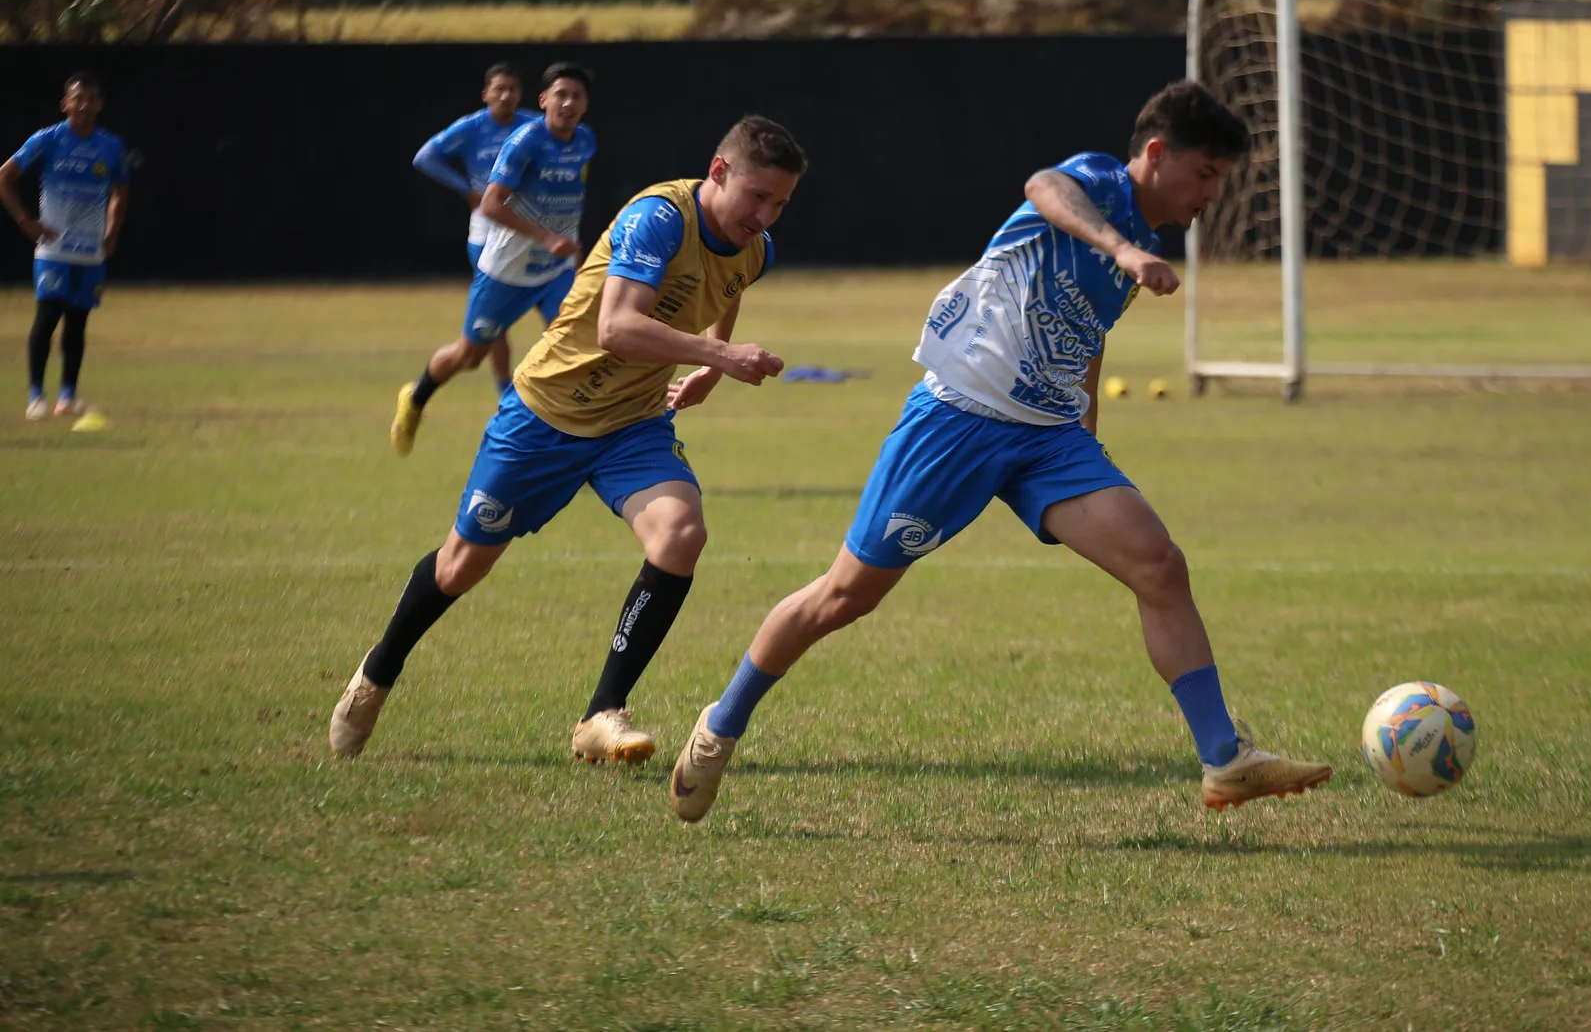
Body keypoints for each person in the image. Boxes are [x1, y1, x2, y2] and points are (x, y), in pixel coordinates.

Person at [668, 81, 1332, 824]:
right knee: (844, 595)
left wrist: (1085, 415)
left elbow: (1089, 325)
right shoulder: (1098, 186)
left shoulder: (1142, 237)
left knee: (1159, 564)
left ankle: (1224, 759)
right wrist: (1120, 246)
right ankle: (722, 722)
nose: (1213, 192)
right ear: (1155, 154)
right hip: (958, 418)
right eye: (1206, 172)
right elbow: (1041, 186)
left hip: (1048, 438)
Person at [332, 116, 806, 765]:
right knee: (460, 566)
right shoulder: (658, 219)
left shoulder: (756, 245)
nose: (767, 213)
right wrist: (720, 355)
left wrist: (707, 366)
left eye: (781, 202)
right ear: (719, 171)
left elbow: (733, 281)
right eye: (759, 195)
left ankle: (600, 714)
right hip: (545, 415)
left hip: (632, 424)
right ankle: (377, 672)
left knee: (682, 535)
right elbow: (616, 327)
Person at [391, 61, 596, 455]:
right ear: (544, 100)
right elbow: (489, 203)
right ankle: (415, 398)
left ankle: (569, 446)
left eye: (576, 96)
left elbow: (570, 196)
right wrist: (546, 236)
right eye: (561, 95)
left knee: (577, 347)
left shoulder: (586, 141)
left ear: (586, 103)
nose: (568, 103)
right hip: (506, 271)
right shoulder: (523, 143)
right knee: (470, 356)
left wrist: (571, 241)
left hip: (555, 270)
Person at [0, 72, 129, 421]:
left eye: (90, 99)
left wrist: (112, 230)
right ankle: (36, 397)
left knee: (77, 323)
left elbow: (119, 192)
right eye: (77, 99)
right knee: (47, 318)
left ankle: (67, 397)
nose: (84, 106)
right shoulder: (48, 140)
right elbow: (4, 177)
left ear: (100, 105)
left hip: (90, 252)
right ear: (65, 104)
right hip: (53, 250)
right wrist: (25, 221)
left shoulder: (110, 146)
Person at [411, 62, 544, 394]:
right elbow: (425, 157)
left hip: (531, 230)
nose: (505, 95)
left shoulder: (534, 126)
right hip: (487, 230)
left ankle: (550, 393)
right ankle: (504, 392)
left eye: (512, 89)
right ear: (486, 93)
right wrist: (467, 190)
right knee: (493, 327)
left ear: (520, 94)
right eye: (498, 88)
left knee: (559, 313)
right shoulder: (472, 128)